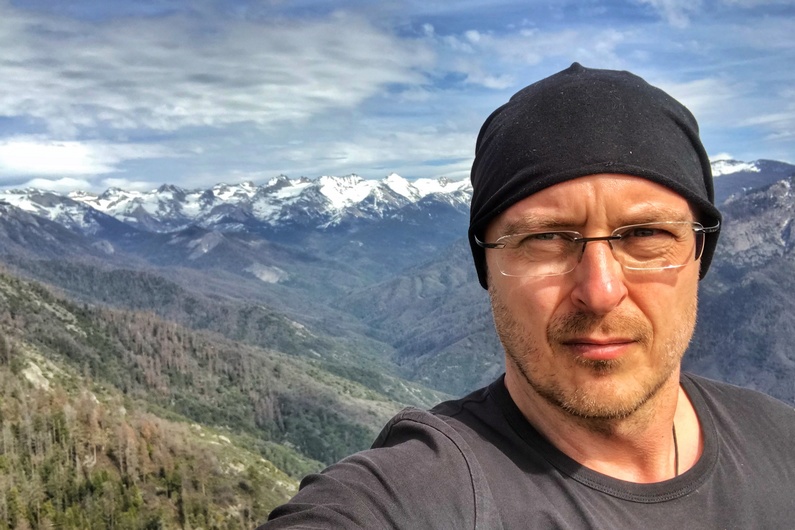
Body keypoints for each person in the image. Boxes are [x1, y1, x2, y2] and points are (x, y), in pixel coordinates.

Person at [260, 63, 795, 528]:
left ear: (700, 255)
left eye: (645, 235)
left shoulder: (782, 442)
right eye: (545, 239)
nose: (601, 291)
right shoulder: (421, 494)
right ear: (486, 267)